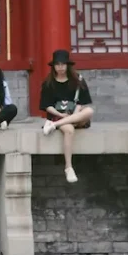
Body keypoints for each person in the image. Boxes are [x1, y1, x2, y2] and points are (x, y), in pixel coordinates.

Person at [39, 49, 95, 184]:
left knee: (89, 111)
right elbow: (47, 105)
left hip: (75, 115)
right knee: (69, 129)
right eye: (57, 64)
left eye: (63, 64)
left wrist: (75, 114)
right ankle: (68, 167)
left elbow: (82, 102)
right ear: (53, 66)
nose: (60, 67)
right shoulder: (48, 83)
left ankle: (53, 126)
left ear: (68, 65)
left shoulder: (78, 80)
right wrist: (60, 115)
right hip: (57, 116)